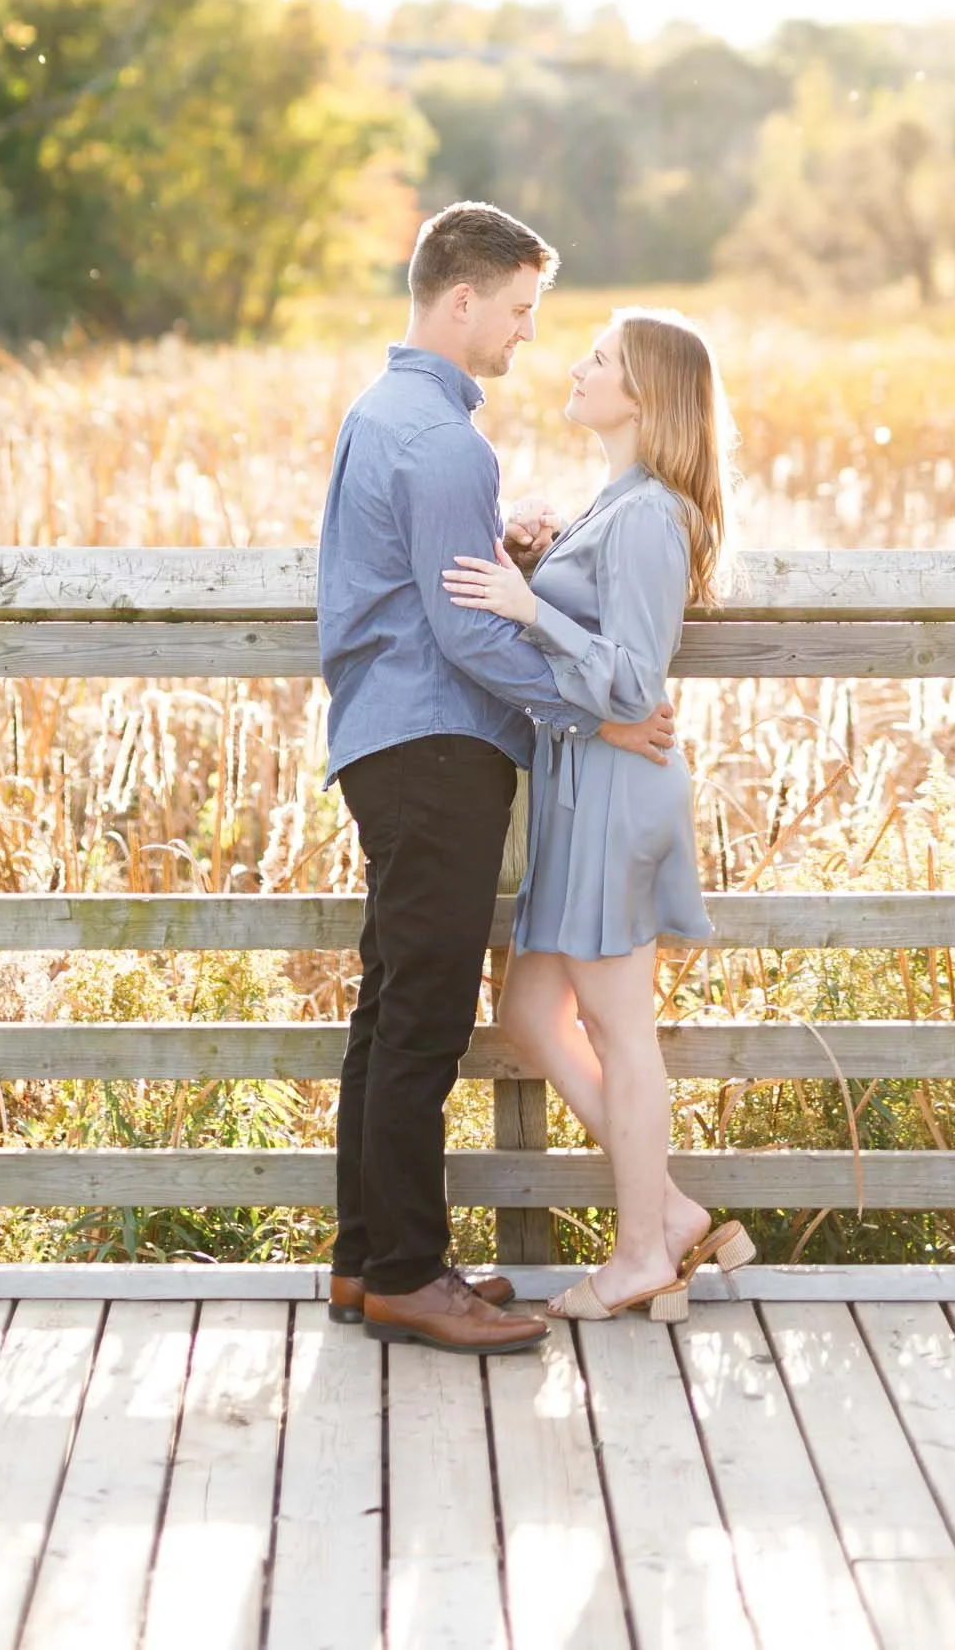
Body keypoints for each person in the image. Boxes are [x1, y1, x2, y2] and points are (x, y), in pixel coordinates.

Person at [317, 202, 677, 1355]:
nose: (529, 334)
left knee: (389, 1006)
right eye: (520, 310)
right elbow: (468, 637)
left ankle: (365, 1262)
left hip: (391, 736)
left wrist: (514, 547)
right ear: (460, 298)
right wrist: (599, 715)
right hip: (435, 747)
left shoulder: (387, 414)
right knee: (421, 1016)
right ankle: (412, 1275)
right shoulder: (441, 440)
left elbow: (450, 587)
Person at [443, 308, 756, 1321]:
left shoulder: (655, 515)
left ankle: (637, 1257)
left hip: (617, 795)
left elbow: (631, 683)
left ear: (644, 394)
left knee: (622, 1029)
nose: (575, 367)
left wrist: (526, 607)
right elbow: (596, 647)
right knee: (531, 1012)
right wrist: (530, 547)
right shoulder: (613, 504)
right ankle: (664, 1209)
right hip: (580, 789)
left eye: (600, 359)